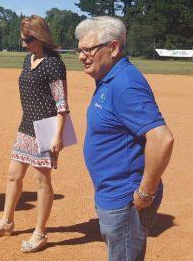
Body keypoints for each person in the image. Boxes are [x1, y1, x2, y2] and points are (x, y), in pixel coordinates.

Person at [74, 16, 174, 261]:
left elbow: (162, 139)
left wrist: (145, 193)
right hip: (113, 194)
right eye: (79, 50)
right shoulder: (108, 78)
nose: (81, 56)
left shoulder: (125, 84)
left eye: (88, 49)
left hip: (125, 199)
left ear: (114, 47)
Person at [0, 15, 68, 253]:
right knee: (13, 176)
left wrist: (57, 137)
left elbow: (61, 104)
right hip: (26, 126)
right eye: (22, 39)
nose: (23, 43)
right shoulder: (26, 59)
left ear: (39, 37)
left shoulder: (54, 64)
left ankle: (40, 233)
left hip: (46, 128)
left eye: (27, 39)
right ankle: (7, 221)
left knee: (42, 182)